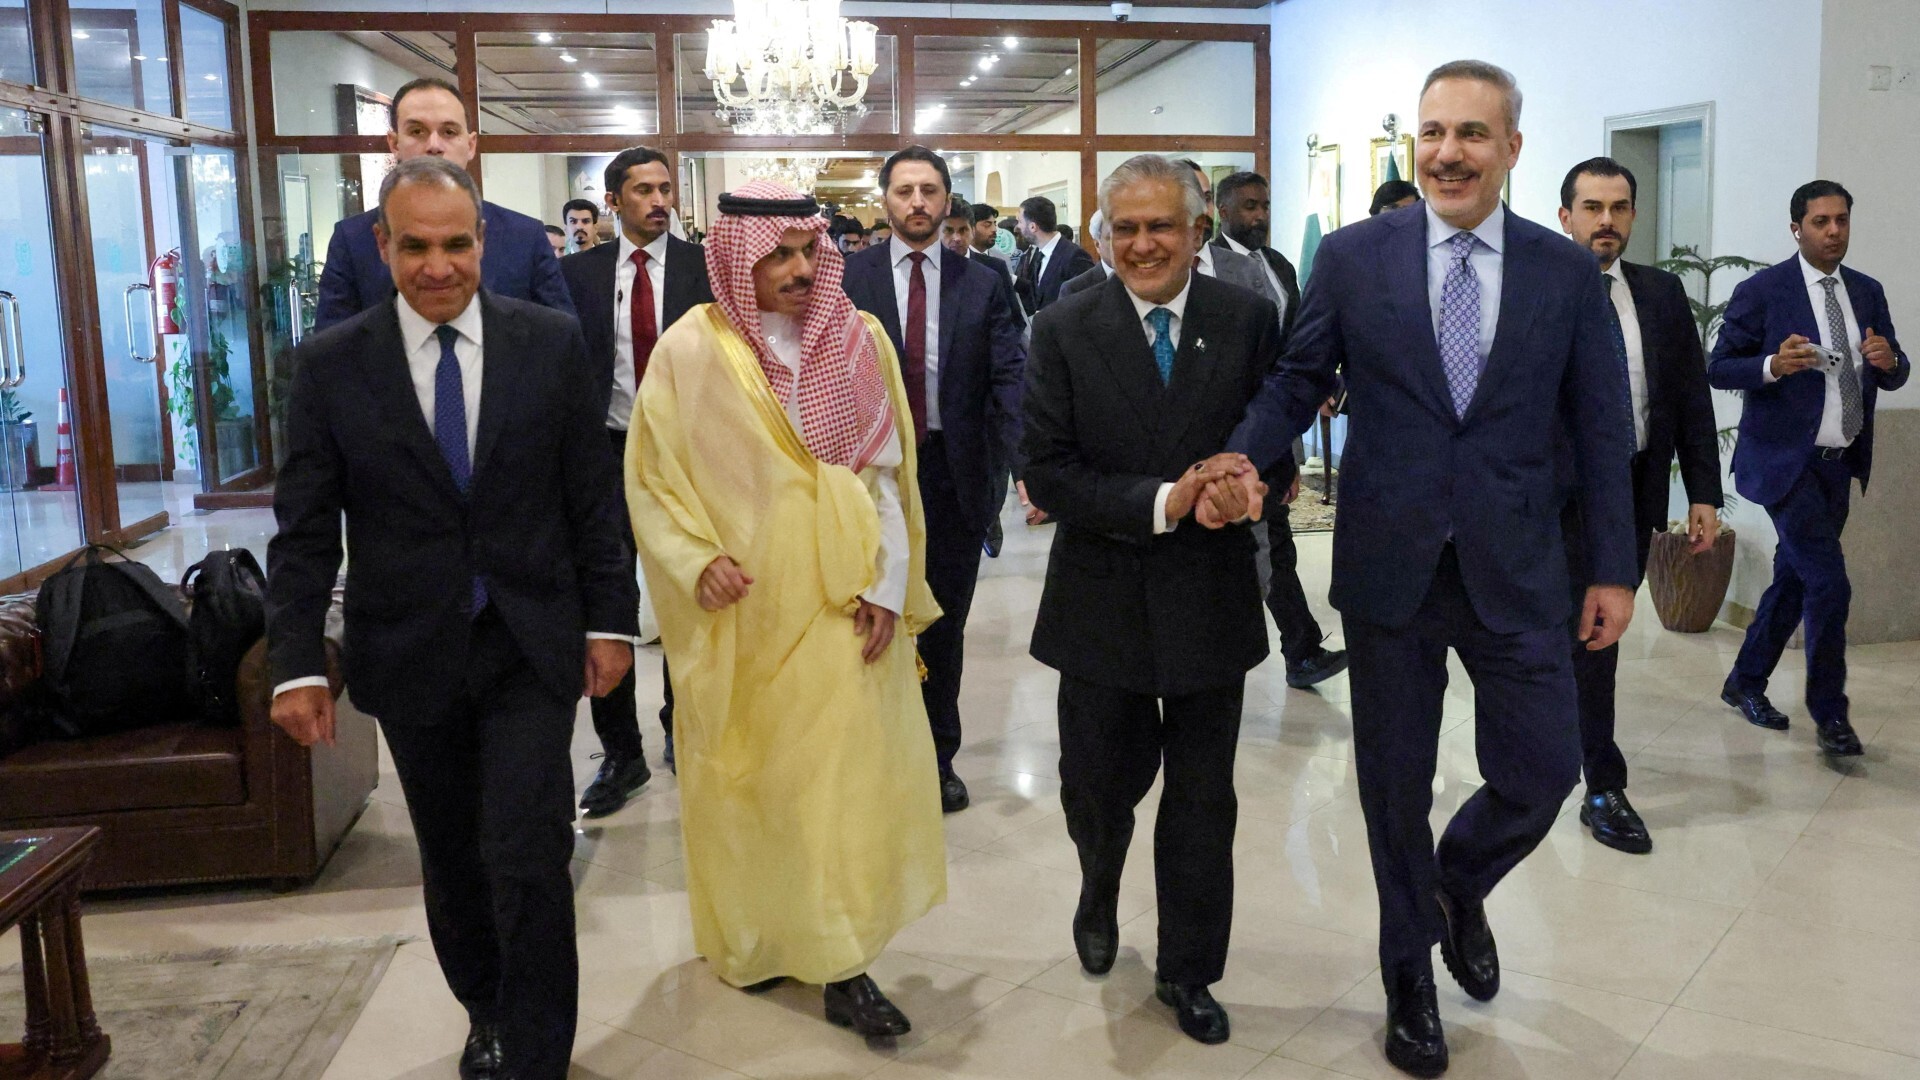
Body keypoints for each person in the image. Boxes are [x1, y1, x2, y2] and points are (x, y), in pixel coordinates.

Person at [1219, 60, 1636, 1077]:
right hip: (1390, 564)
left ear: (1512, 149)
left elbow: (1599, 426)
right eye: (1434, 132)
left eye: (1472, 134)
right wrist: (1241, 456)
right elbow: (1299, 378)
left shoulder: (1563, 272)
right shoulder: (1355, 257)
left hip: (1520, 565)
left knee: (1545, 768)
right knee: (1392, 786)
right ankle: (1407, 973)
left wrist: (1614, 570)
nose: (1448, 153)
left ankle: (1457, 883)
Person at [267, 156, 637, 1080]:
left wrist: (610, 622)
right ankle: (487, 1011)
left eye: (457, 244)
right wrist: (297, 662)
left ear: (485, 240)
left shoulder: (548, 341)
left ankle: (539, 1055)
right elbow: (304, 530)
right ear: (382, 245)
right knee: (454, 854)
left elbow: (591, 498)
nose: (439, 266)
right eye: (416, 246)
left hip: (528, 639)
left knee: (529, 850)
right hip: (409, 645)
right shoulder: (332, 364)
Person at [625, 180, 945, 1036]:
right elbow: (653, 477)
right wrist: (695, 562)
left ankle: (846, 964)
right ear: (739, 259)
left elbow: (885, 479)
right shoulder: (690, 352)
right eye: (779, 255)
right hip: (741, 615)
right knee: (749, 784)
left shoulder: (857, 337)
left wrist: (886, 588)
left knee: (839, 787)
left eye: (809, 252)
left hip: (842, 604)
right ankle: (758, 938)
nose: (800, 270)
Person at [1024, 153, 1281, 1047]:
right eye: (1124, 229)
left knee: (1204, 799)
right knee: (1098, 785)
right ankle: (1098, 884)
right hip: (1102, 596)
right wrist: (1170, 499)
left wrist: (1247, 485)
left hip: (1210, 597)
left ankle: (1189, 969)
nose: (1142, 245)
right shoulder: (1063, 326)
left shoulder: (1245, 319)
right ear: (1101, 238)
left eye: (1161, 226)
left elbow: (1271, 441)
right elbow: (1047, 471)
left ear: (1197, 231)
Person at [842, 147, 1025, 814]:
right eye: (904, 190)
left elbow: (1009, 377)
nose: (917, 202)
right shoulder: (848, 277)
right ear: (885, 200)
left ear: (948, 200)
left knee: (943, 625)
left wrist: (1024, 464)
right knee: (867, 618)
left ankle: (937, 757)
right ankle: (872, 756)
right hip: (868, 478)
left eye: (929, 190)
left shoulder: (986, 282)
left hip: (955, 475)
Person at [1556, 156, 1724, 852]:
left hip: (1628, 493)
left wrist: (1704, 492)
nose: (1607, 221)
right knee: (1548, 638)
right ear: (1565, 216)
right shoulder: (1535, 289)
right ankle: (1547, 765)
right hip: (1548, 500)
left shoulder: (1659, 293)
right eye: (1592, 208)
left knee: (1599, 638)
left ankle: (1599, 784)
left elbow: (1689, 396)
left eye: (1619, 208)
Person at [1709, 180, 1909, 755]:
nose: (1834, 231)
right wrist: (1773, 364)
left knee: (1795, 581)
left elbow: (1894, 369)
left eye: (1842, 220)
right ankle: (1830, 715)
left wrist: (1891, 361)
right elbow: (1719, 367)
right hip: (1784, 466)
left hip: (1838, 464)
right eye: (1821, 222)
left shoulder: (1866, 291)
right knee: (1828, 583)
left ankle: (1744, 680)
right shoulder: (1763, 291)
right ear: (1796, 228)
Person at [560, 145, 715, 813]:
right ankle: (621, 754)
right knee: (609, 599)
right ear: (613, 199)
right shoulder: (578, 275)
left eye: (664, 189)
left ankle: (685, 728)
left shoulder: (704, 269)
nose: (658, 201)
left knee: (688, 591)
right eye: (643, 190)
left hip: (690, 455)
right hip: (606, 452)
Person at [1213, 168, 1349, 690]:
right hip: (1239, 428)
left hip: (1280, 419)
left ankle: (1301, 649)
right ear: (1223, 212)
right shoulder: (1209, 268)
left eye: (1265, 206)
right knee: (1267, 542)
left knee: (1274, 538)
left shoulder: (1278, 264)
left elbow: (1296, 348)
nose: (1260, 216)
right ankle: (1299, 648)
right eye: (1249, 207)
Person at [314, 77, 574, 330]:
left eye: (449, 132)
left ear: (470, 145)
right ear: (394, 143)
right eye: (417, 131)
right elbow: (333, 350)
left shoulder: (525, 237)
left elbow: (561, 342)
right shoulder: (353, 240)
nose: (434, 146)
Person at [1014, 195, 1095, 317]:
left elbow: (1086, 302)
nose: (1017, 227)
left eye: (1020, 221)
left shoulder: (1074, 256)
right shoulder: (1038, 254)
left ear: (1033, 227)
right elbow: (1036, 295)